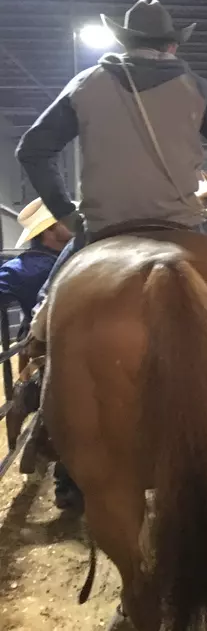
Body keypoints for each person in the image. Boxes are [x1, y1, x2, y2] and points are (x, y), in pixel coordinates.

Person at [16, 0, 207, 333]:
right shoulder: (196, 88)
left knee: (47, 310)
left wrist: (67, 215)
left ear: (124, 41)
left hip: (103, 225)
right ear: (172, 44)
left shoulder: (86, 84)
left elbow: (32, 150)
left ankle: (36, 341)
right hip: (183, 223)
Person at [0, 200, 81, 512]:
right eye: (65, 219)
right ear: (50, 230)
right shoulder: (32, 267)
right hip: (52, 355)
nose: (74, 222)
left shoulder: (44, 263)